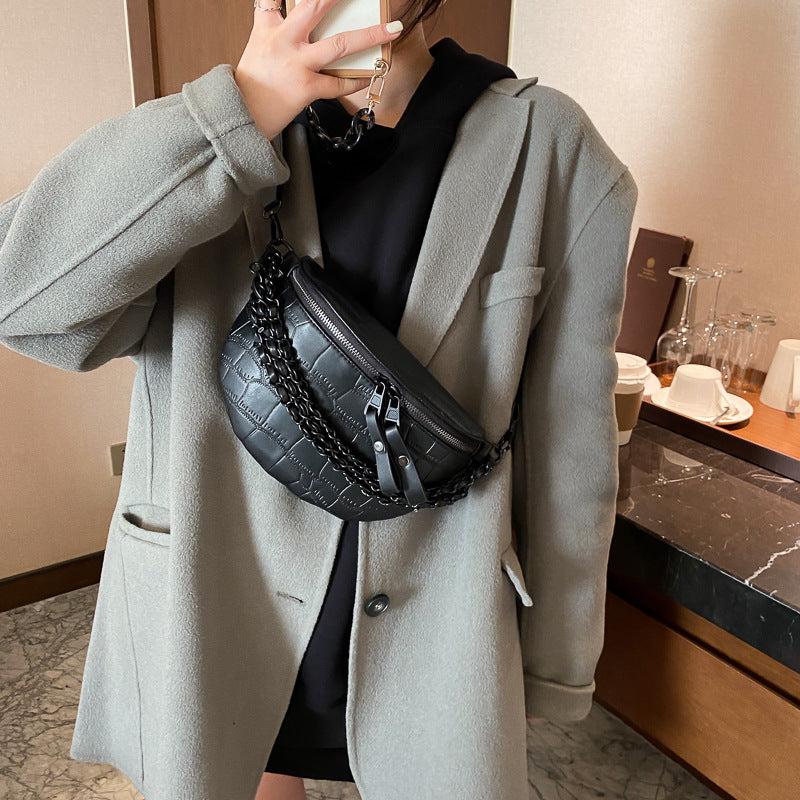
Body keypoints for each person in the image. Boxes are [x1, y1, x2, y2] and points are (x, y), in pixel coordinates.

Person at [0, 0, 637, 798]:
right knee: (242, 766)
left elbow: (570, 439)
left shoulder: (549, 146)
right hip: (222, 590)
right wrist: (236, 115)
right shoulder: (205, 133)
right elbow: (24, 303)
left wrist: (556, 660)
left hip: (436, 616)